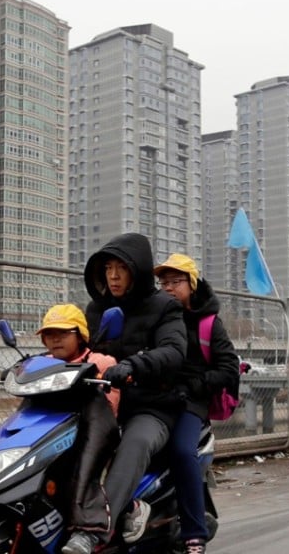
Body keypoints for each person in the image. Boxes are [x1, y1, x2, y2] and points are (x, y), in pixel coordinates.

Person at [62, 233, 188, 554]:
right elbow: (84, 351)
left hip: (151, 406)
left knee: (136, 442)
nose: (113, 276)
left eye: (121, 268)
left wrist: (134, 365)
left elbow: (174, 351)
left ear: (139, 270)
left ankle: (92, 531)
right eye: (108, 268)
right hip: (105, 402)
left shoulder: (166, 307)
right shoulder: (97, 308)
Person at [153, 253, 241, 554]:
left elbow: (229, 368)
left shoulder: (208, 323)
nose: (167, 287)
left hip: (192, 400)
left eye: (175, 281)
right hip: (158, 396)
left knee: (181, 451)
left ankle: (194, 533)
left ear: (191, 284)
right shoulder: (158, 316)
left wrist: (196, 385)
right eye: (163, 282)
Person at [36, 304, 121, 546]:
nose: (55, 339)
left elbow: (109, 407)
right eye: (49, 334)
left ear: (81, 335)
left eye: (63, 333)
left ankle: (89, 529)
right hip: (53, 436)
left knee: (83, 465)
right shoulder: (41, 364)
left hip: (93, 434)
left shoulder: (100, 362)